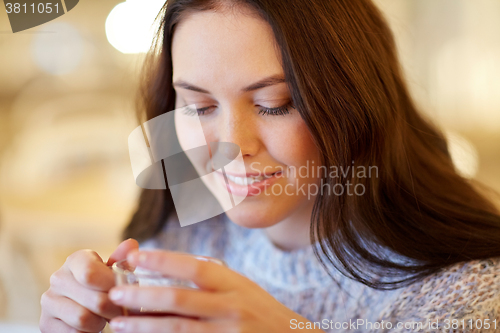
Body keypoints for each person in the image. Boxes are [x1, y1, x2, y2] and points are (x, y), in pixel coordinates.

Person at [40, 0, 500, 332]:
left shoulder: (466, 293)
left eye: (274, 104)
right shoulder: (185, 232)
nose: (230, 147)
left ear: (354, 102)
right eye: (198, 106)